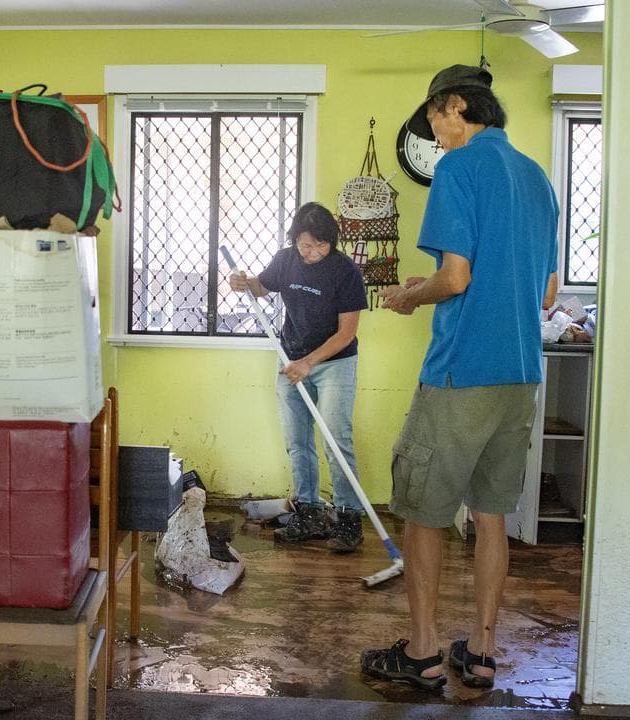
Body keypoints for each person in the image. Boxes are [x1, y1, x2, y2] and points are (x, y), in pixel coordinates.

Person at [359, 64, 558, 691]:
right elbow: (549, 290)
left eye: (435, 122)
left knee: (424, 512)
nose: (435, 136)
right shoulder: (537, 177)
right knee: (492, 514)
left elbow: (456, 277)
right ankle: (481, 650)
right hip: (521, 374)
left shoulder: (460, 168)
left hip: (460, 373)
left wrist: (411, 296)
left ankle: (420, 653)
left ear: (455, 107)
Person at [228, 202, 370, 553]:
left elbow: (346, 333)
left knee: (337, 439)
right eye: (307, 245)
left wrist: (309, 362)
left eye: (322, 245)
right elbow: (262, 287)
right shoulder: (286, 259)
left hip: (334, 362)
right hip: (291, 358)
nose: (314, 252)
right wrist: (244, 283)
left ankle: (349, 518)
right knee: (298, 440)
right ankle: (308, 512)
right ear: (295, 240)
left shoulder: (345, 271)